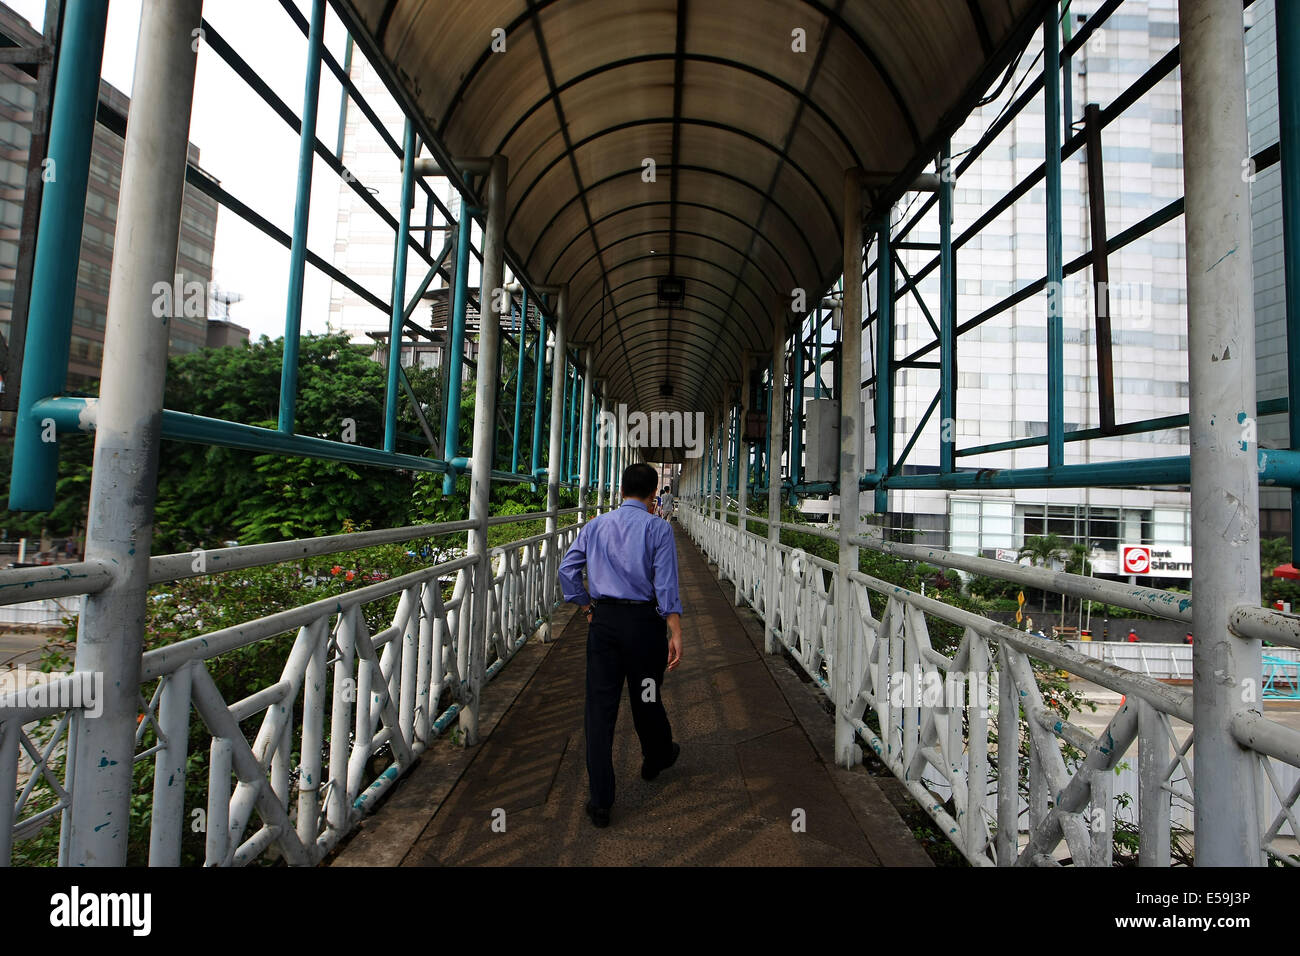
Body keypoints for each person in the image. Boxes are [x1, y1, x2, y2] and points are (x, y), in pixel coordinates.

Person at [559, 462, 683, 828]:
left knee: (599, 711)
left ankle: (601, 802)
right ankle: (656, 754)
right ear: (652, 495)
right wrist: (675, 629)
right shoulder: (658, 528)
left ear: (622, 491)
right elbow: (665, 583)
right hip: (644, 628)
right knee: (646, 695)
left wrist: (585, 606)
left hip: (606, 626)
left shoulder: (595, 526)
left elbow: (568, 570)